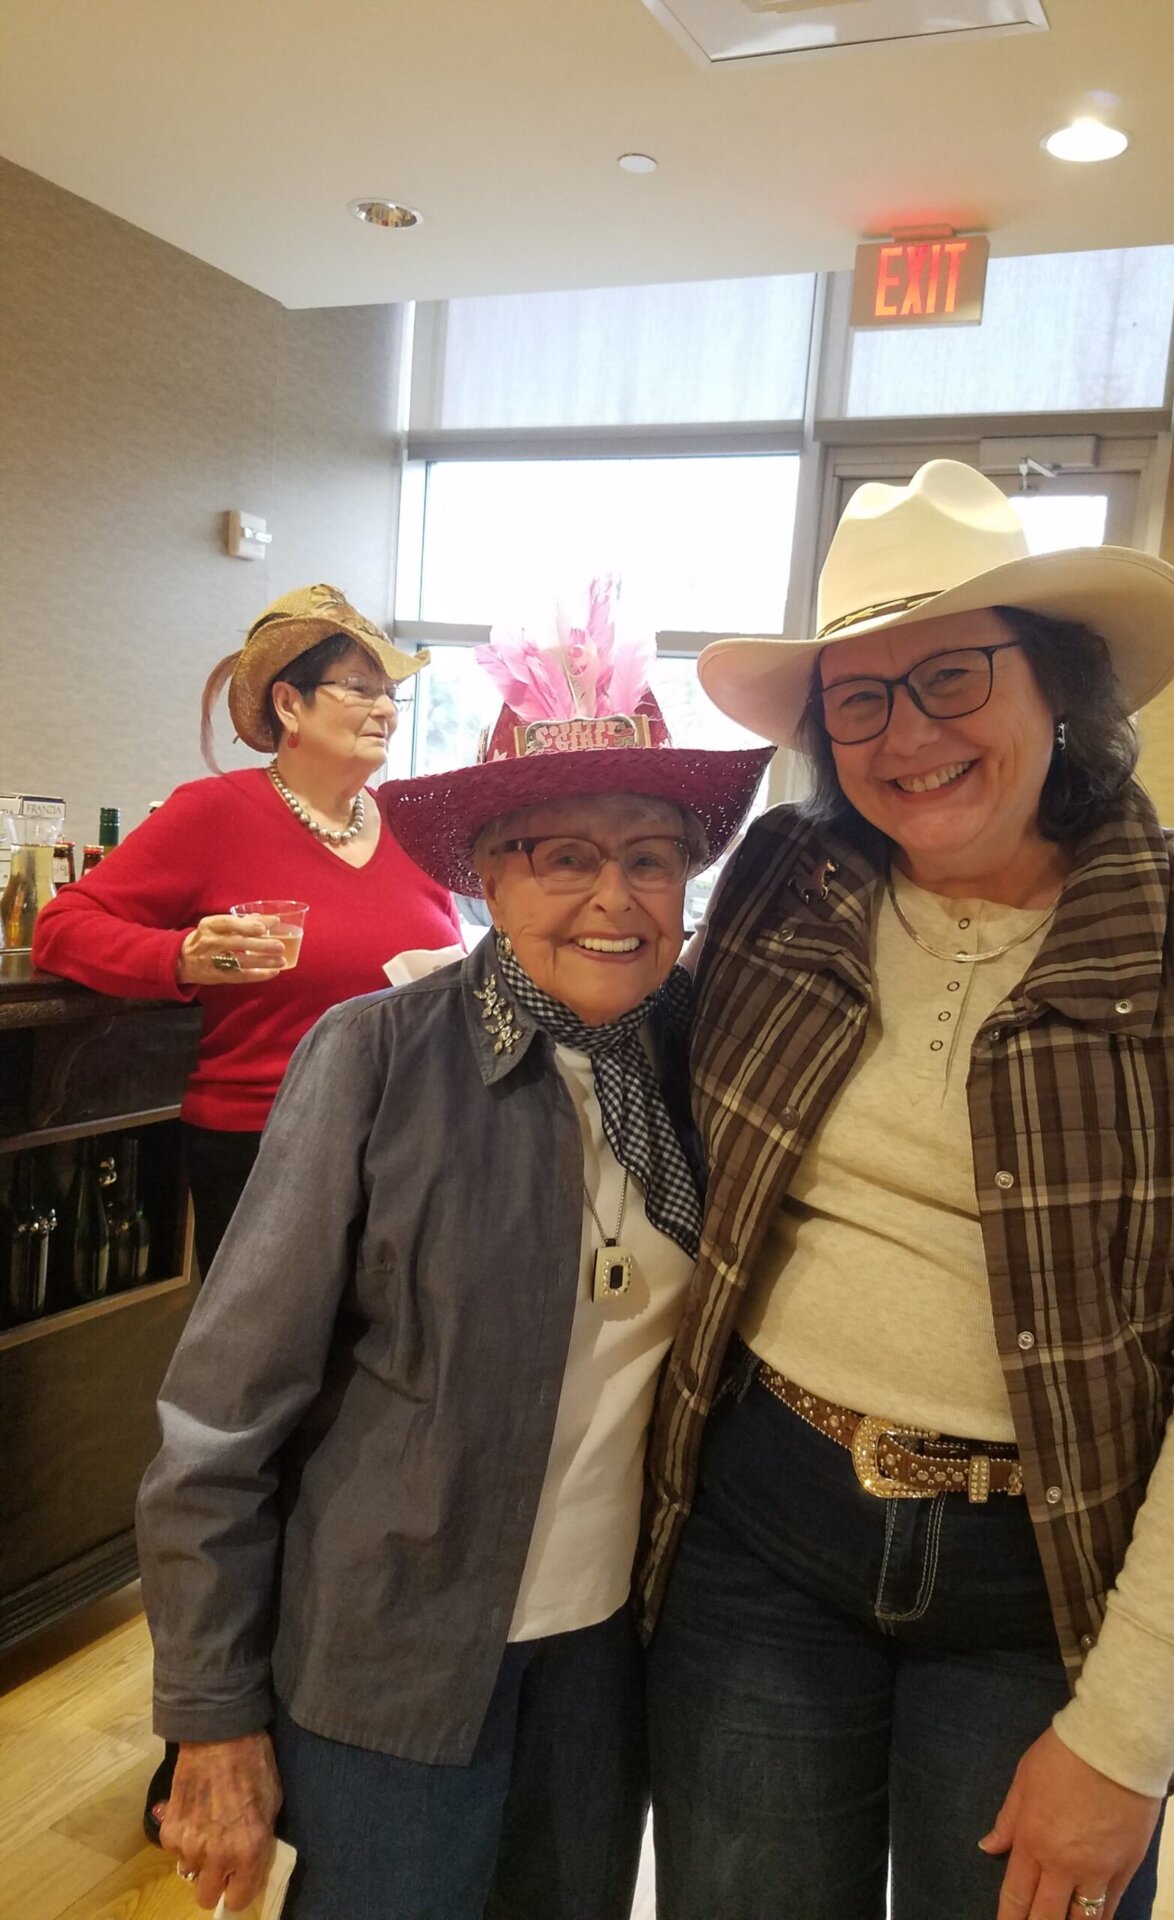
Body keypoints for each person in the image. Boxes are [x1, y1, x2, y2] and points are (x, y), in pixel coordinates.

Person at [640, 462, 1174, 1920]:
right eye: (859, 697)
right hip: (763, 1542)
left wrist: (1130, 1729)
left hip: (1056, 1578)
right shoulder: (787, 880)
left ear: (1059, 686)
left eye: (953, 675)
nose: (907, 736)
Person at [134, 606, 772, 1919]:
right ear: (484, 870)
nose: (614, 898)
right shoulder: (376, 1056)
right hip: (385, 1658)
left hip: (606, 1665)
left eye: (653, 858)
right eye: (563, 857)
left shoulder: (710, 1070)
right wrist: (210, 1716)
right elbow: (220, 1418)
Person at [32, 582, 461, 1838]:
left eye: (391, 692)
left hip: (401, 1159)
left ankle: (325, 1709)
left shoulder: (404, 828)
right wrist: (181, 960)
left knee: (357, 1433)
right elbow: (70, 921)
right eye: (359, 689)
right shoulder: (214, 815)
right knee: (246, 1444)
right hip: (262, 1154)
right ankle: (205, 1734)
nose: (385, 710)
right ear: (288, 703)